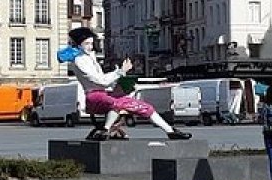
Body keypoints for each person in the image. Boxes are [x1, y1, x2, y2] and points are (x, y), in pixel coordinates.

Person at [61, 27, 191, 141]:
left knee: (145, 107)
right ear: (78, 45)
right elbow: (101, 81)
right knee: (116, 103)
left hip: (105, 94)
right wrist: (120, 72)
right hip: (93, 97)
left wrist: (121, 82)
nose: (90, 46)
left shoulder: (89, 58)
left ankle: (170, 131)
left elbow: (105, 82)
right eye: (86, 44)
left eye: (91, 43)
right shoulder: (79, 61)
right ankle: (105, 129)